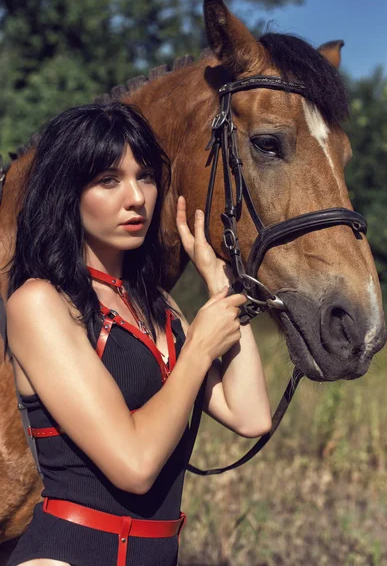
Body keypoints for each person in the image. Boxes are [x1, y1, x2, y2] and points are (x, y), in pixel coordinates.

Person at [5, 102, 272, 566]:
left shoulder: (158, 305)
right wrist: (200, 348)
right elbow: (134, 465)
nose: (136, 198)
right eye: (109, 180)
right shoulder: (39, 303)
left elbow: (249, 416)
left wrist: (220, 287)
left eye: (144, 176)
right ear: (68, 193)